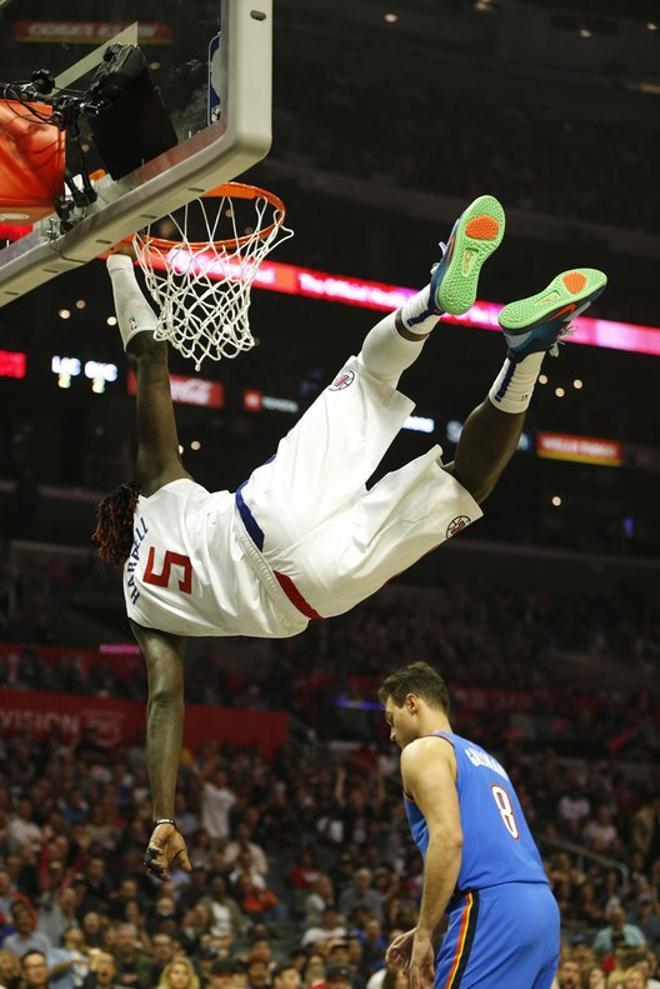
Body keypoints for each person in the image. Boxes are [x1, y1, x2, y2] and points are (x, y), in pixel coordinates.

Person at [94, 197, 607, 880]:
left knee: (463, 485)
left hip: (311, 593)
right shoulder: (158, 488)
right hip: (263, 515)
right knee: (372, 376)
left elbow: (165, 701)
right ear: (127, 508)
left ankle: (528, 352)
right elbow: (151, 360)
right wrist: (119, 259)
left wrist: (164, 814)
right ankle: (432, 296)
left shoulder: (143, 612)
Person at [379, 662, 560, 989]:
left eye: (392, 720)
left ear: (412, 703)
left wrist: (423, 936)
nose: (392, 734)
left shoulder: (423, 750)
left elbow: (449, 840)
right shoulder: (486, 759)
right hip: (541, 910)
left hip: (494, 910)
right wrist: (432, 924)